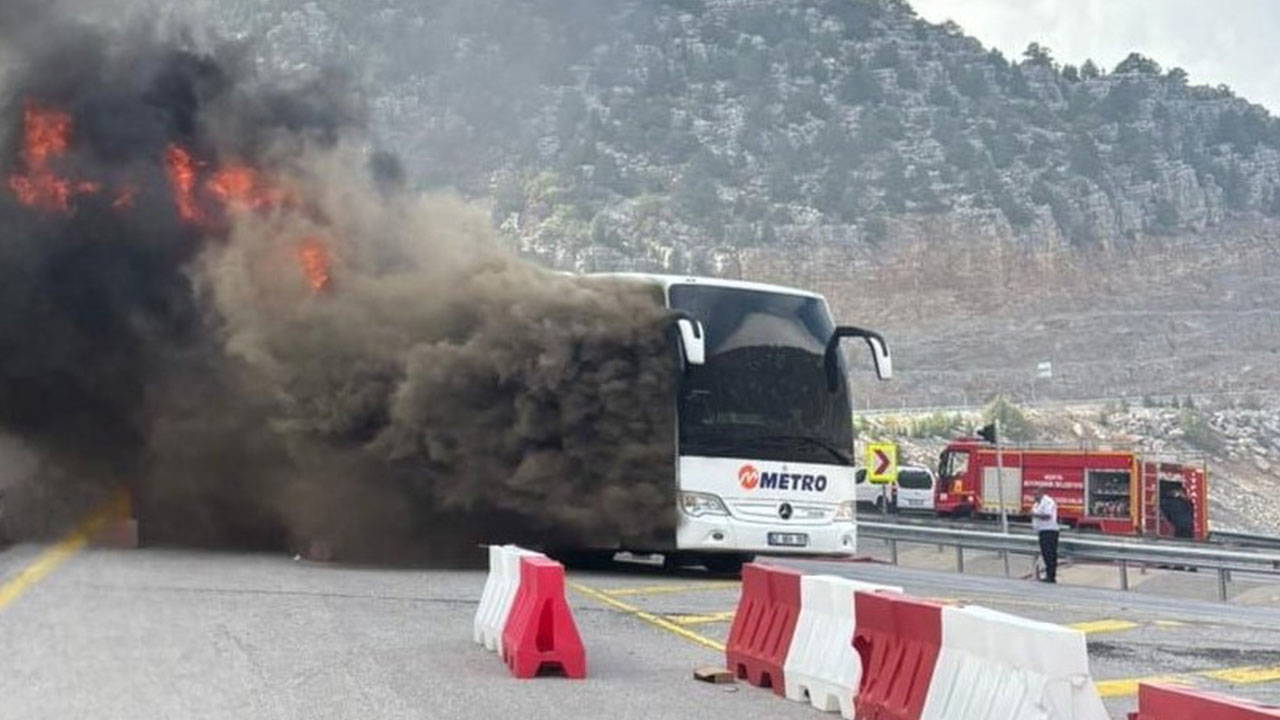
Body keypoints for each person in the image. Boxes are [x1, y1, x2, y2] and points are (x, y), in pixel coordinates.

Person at [1031, 488, 1059, 583]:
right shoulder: (1036, 504)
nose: (1034, 496)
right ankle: (1048, 575)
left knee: (1050, 554)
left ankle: (1051, 576)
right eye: (1034, 494)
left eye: (1036, 494)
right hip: (1042, 531)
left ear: (1041, 493)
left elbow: (1047, 516)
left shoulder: (1048, 502)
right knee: (1045, 554)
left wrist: (1035, 515)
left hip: (1050, 531)